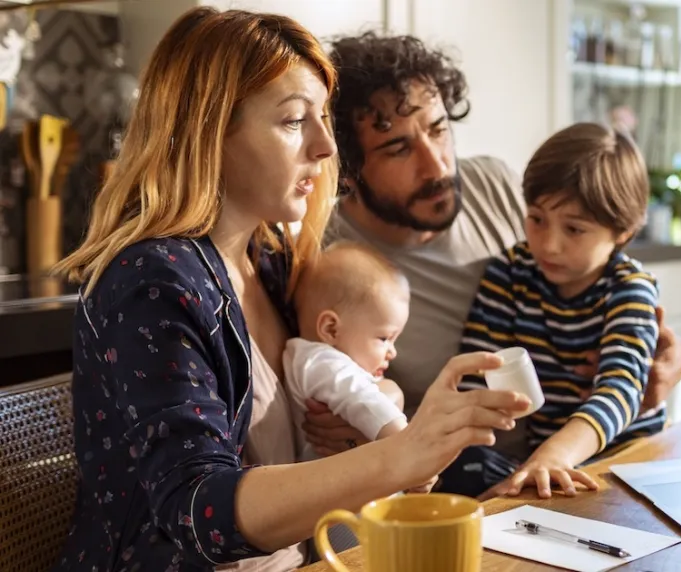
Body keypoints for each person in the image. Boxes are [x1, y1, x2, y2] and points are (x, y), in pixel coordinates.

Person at [51, 8, 528, 571]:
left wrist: (381, 409)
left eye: (322, 118)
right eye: (294, 120)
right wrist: (400, 455)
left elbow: (342, 383)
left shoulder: (272, 260)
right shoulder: (152, 282)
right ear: (211, 131)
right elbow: (195, 511)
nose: (326, 147)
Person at [314, 32, 681, 483]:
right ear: (348, 170)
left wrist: (669, 357)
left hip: (598, 454)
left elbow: (624, 348)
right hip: (464, 466)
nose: (436, 167)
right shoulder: (326, 259)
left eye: (438, 130)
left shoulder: (492, 183)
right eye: (398, 149)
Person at [438, 122, 666, 499]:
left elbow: (621, 389)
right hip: (545, 465)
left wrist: (555, 455)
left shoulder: (629, 288)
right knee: (465, 466)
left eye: (574, 230)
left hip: (626, 461)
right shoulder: (509, 273)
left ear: (622, 232)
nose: (549, 244)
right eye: (537, 219)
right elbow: (477, 378)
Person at [284, 241, 411, 460]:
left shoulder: (316, 359)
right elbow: (367, 402)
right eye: (384, 338)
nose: (392, 352)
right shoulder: (320, 362)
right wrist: (413, 451)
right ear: (331, 329)